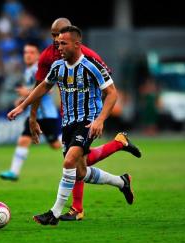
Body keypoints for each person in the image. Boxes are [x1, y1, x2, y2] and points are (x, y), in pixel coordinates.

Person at [8, 26, 135, 226]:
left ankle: (54, 213)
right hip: (67, 123)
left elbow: (112, 93)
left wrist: (100, 120)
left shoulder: (91, 65)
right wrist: (23, 107)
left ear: (77, 44)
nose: (59, 47)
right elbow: (42, 86)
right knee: (79, 172)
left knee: (68, 163)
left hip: (88, 122)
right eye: (57, 44)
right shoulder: (57, 66)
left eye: (63, 44)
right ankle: (122, 181)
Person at [0, 42, 61, 181]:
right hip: (33, 115)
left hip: (45, 115)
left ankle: (72, 140)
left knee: (56, 145)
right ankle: (13, 172)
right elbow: (32, 93)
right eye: (26, 52)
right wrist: (22, 99)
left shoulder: (38, 69)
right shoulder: (28, 71)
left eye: (32, 52)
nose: (28, 55)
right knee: (23, 140)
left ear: (38, 55)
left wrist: (26, 93)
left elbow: (49, 90)